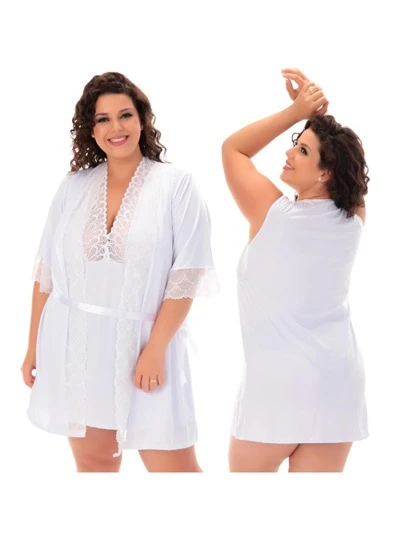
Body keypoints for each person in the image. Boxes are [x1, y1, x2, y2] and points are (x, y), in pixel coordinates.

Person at [21, 72, 218, 473]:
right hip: (77, 348)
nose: (116, 127)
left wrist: (156, 349)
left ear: (142, 120)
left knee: (175, 469)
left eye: (125, 115)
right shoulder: (73, 187)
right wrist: (33, 347)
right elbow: (46, 274)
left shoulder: (176, 186)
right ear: (91, 130)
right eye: (103, 119)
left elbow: (186, 276)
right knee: (95, 465)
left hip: (145, 348)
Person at [222, 68, 369, 472]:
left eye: (302, 150)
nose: (289, 153)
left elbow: (234, 149)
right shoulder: (354, 220)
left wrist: (297, 112)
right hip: (337, 386)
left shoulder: (273, 214)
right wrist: (316, 121)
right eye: (295, 145)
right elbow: (352, 175)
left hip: (277, 388)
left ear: (325, 172)